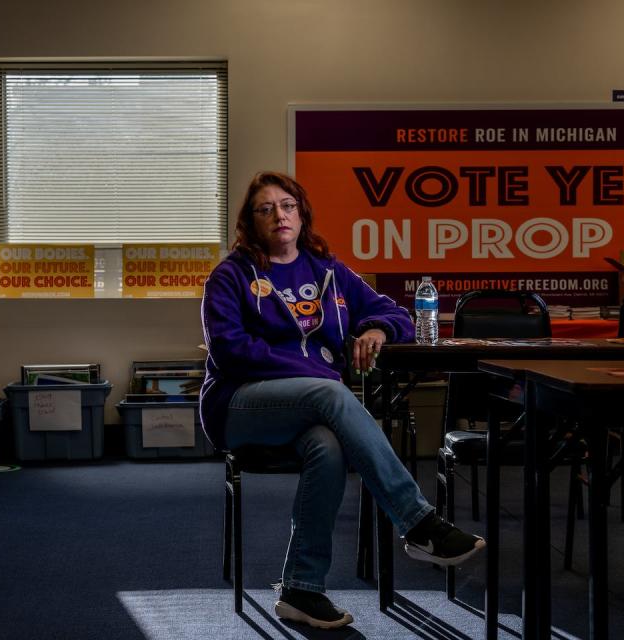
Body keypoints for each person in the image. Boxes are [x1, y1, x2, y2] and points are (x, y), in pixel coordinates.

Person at [200, 171, 485, 629]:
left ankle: (301, 589)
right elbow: (230, 350)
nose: (279, 215)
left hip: (313, 404)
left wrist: (376, 329)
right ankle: (417, 522)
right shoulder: (231, 276)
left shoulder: (327, 270)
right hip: (239, 405)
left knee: (328, 447)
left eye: (287, 205)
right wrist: (319, 373)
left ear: (301, 212)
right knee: (330, 391)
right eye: (265, 208)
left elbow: (396, 313)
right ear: (250, 222)